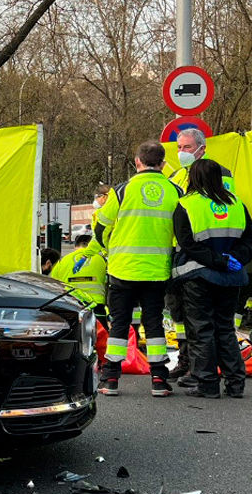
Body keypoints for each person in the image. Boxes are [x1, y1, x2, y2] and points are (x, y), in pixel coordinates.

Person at [94, 141, 181, 397]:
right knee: (154, 324)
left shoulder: (122, 191)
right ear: (163, 164)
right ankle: (159, 380)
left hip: (123, 270)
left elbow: (101, 228)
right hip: (157, 271)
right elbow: (182, 232)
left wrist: (110, 248)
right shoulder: (175, 191)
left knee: (119, 324)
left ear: (137, 162)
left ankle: (110, 378)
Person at [172, 158, 252, 398]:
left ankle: (207, 384)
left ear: (193, 178)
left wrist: (217, 260)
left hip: (198, 277)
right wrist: (235, 259)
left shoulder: (186, 205)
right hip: (232, 277)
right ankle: (235, 384)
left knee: (201, 331)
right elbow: (249, 241)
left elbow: (187, 244)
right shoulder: (237, 204)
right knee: (225, 329)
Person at [166, 130, 235, 387]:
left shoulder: (221, 175)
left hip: (205, 256)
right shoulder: (175, 176)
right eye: (179, 147)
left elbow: (222, 210)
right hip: (180, 256)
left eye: (187, 147)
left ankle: (204, 369)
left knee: (204, 321)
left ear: (202, 149)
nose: (181, 152)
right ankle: (186, 360)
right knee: (180, 315)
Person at [49, 234, 107, 321]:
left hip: (71, 305)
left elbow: (53, 285)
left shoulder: (62, 261)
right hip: (96, 305)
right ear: (91, 245)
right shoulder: (101, 260)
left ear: (75, 246)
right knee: (99, 333)